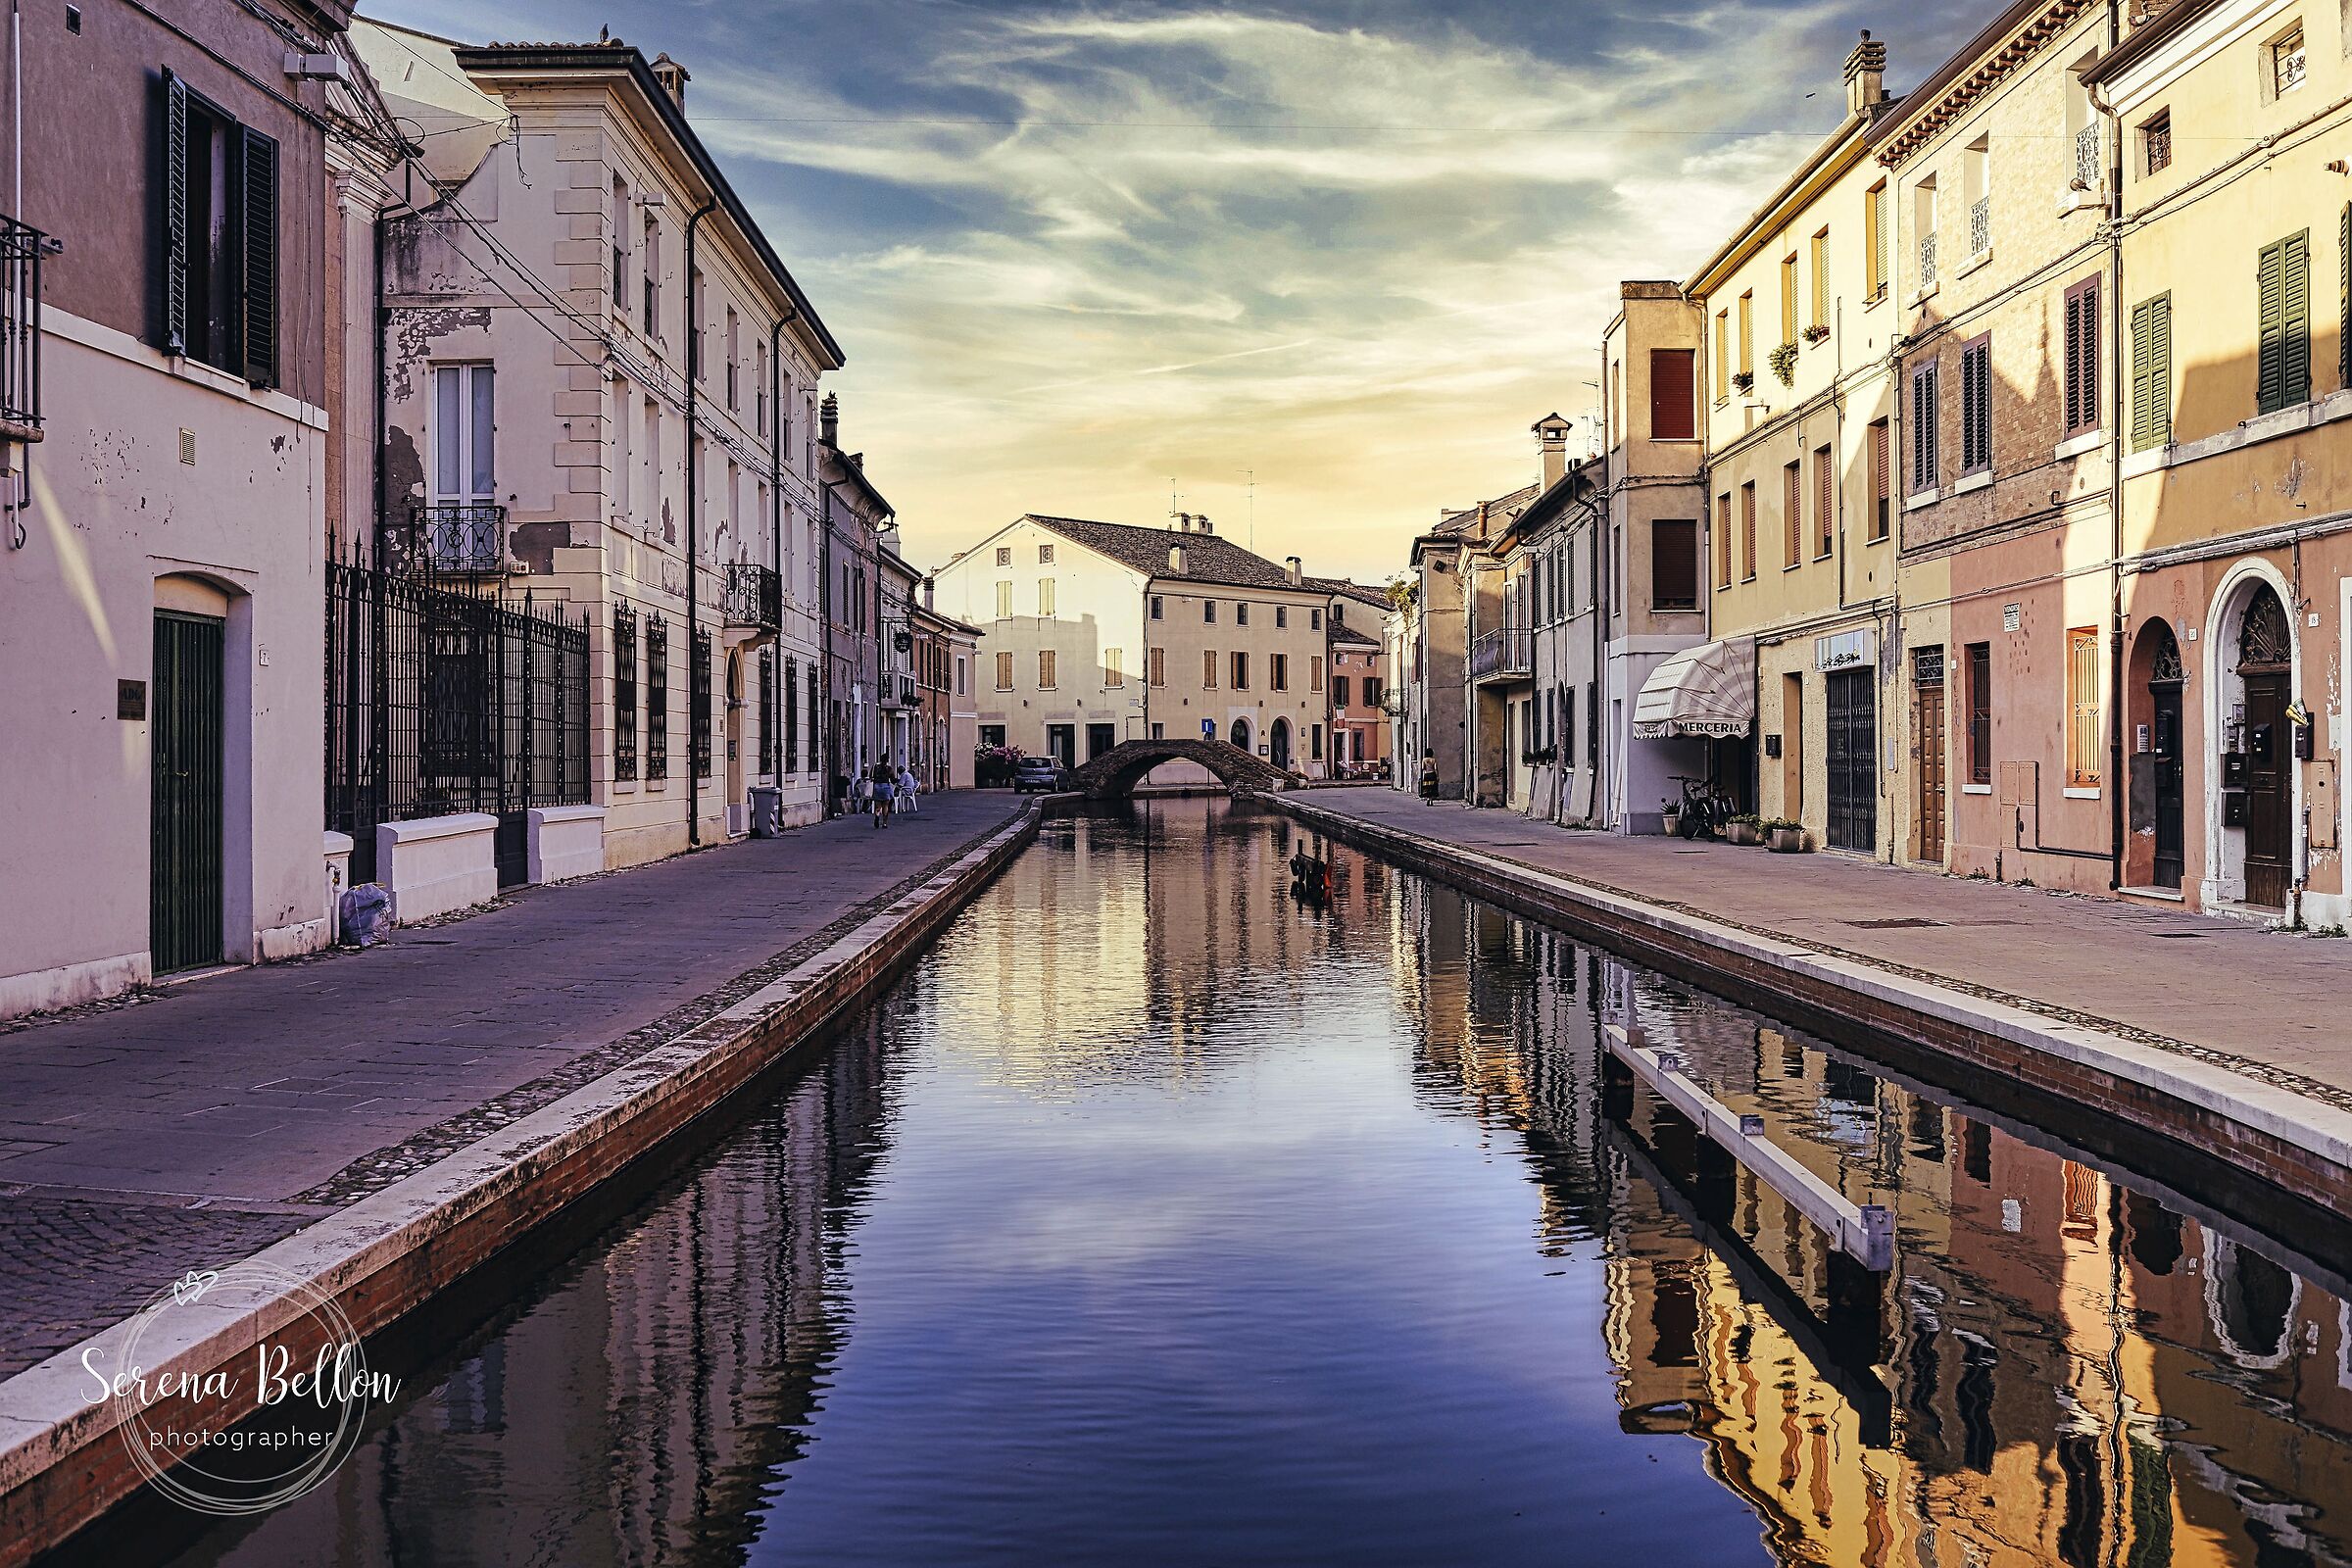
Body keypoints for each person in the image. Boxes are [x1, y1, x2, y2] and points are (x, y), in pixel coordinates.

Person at [871, 762, 894, 828]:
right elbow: (892, 778)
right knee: (886, 805)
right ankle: (884, 823)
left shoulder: (875, 767)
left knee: (878, 806)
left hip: (877, 786)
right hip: (885, 786)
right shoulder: (888, 768)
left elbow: (871, 776)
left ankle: (877, 815)